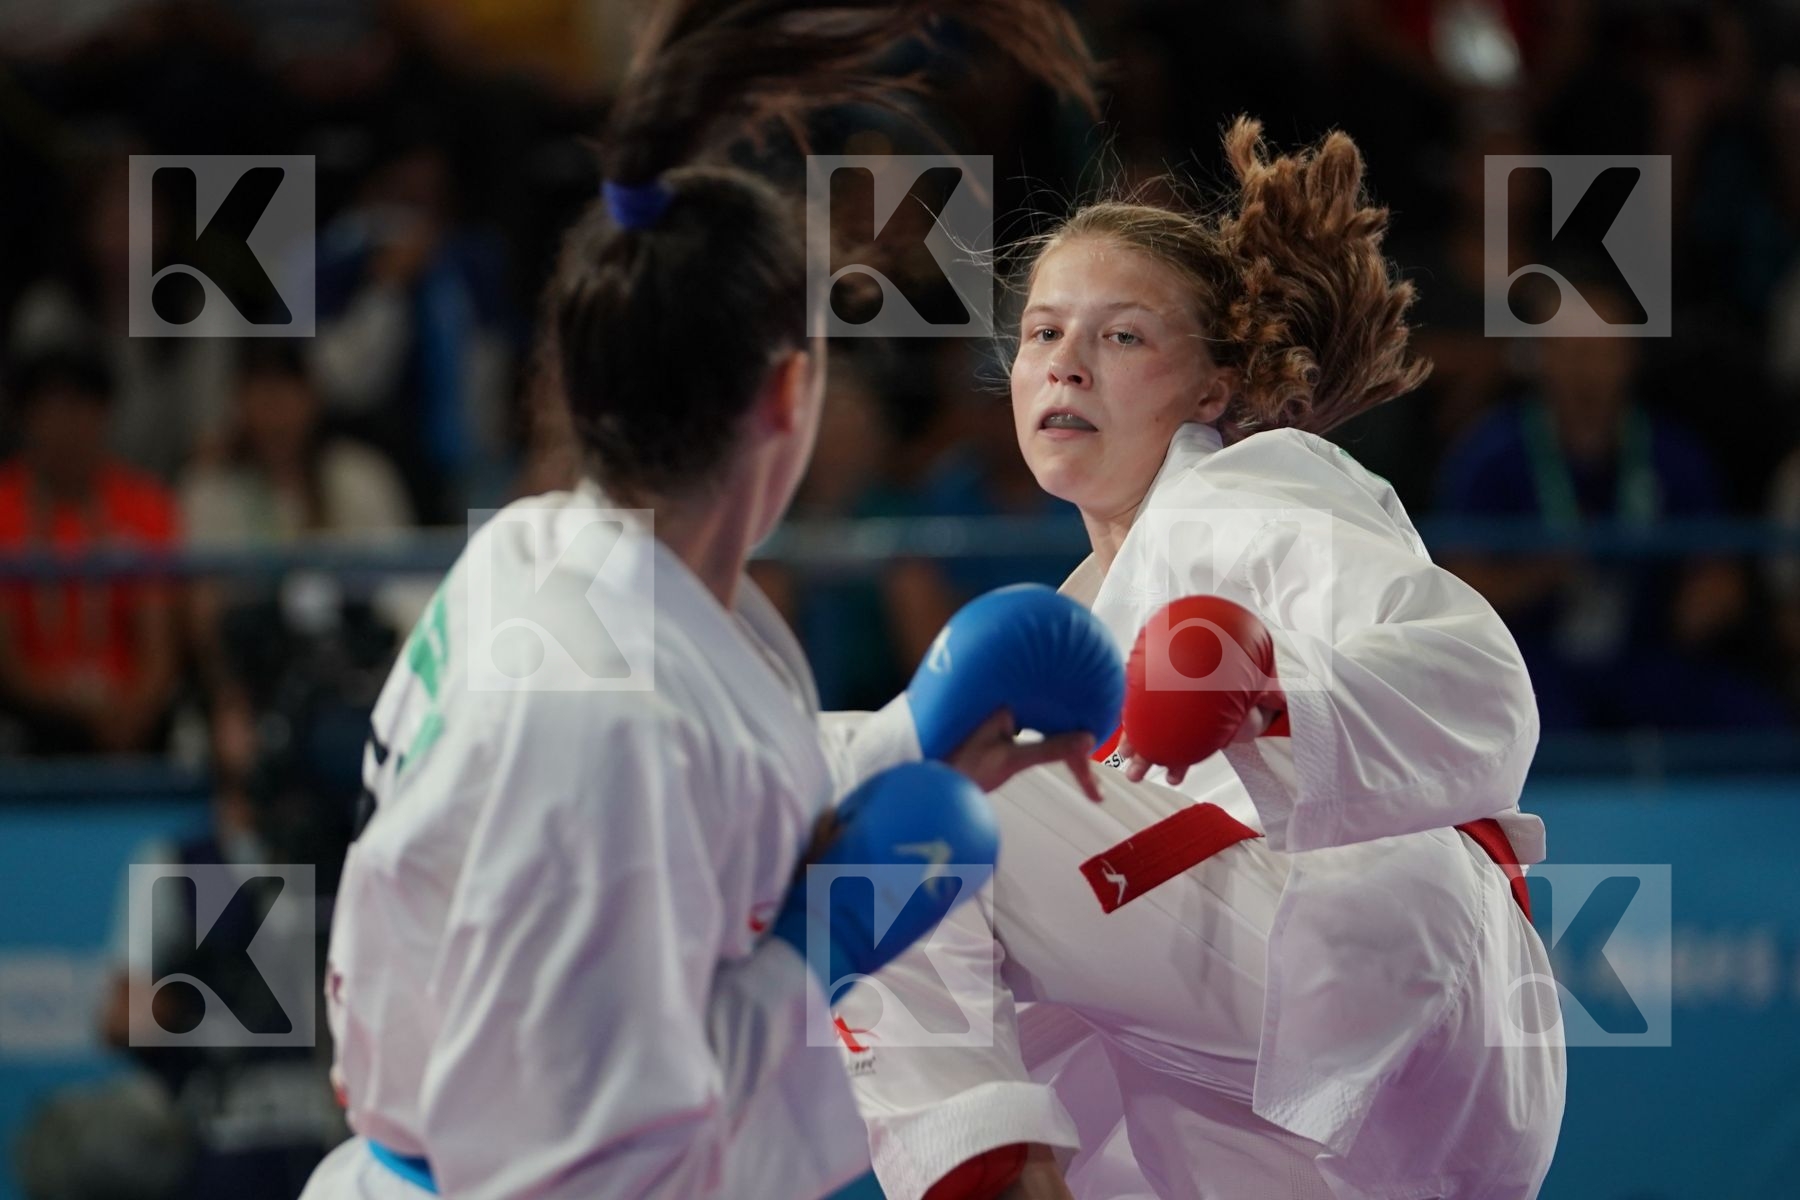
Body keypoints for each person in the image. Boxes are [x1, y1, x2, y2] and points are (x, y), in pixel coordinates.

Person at [297, 4, 1102, 1199]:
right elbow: (574, 1164)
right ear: (789, 391)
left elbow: (688, 836)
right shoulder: (598, 713)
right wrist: (819, 945)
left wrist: (909, 746)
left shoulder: (549, 557)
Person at [836, 119, 1565, 1200]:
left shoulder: (1248, 492)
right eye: (1040, 335)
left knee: (869, 787)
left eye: (1121, 337)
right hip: (1293, 1103)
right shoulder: (1081, 616)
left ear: (1216, 388)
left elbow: (1483, 687)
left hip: (1382, 964)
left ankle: (989, 1167)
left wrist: (1266, 696)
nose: (1064, 364)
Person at [0, 344, 181, 755]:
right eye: (51, 410)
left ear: (104, 415)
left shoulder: (145, 506)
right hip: (33, 712)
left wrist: (132, 707)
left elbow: (159, 644)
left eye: (82, 409)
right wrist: (79, 708)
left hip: (131, 709)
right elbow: (7, 659)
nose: (67, 427)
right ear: (25, 420)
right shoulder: (4, 508)